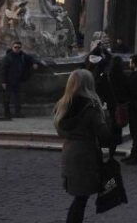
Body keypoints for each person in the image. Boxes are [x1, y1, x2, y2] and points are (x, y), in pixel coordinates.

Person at [55, 69, 112, 223]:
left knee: (80, 197)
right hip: (85, 154)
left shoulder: (63, 104)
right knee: (81, 199)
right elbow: (104, 134)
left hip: (69, 151)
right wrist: (106, 116)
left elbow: (60, 131)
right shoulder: (91, 106)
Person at [1, 40, 38, 118]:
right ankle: (7, 113)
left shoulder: (22, 55)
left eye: (19, 47)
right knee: (7, 97)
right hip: (9, 80)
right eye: (15, 47)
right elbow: (3, 70)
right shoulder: (7, 57)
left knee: (17, 97)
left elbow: (30, 58)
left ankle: (18, 112)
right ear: (12, 47)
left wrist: (34, 63)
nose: (17, 49)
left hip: (17, 79)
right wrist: (3, 81)